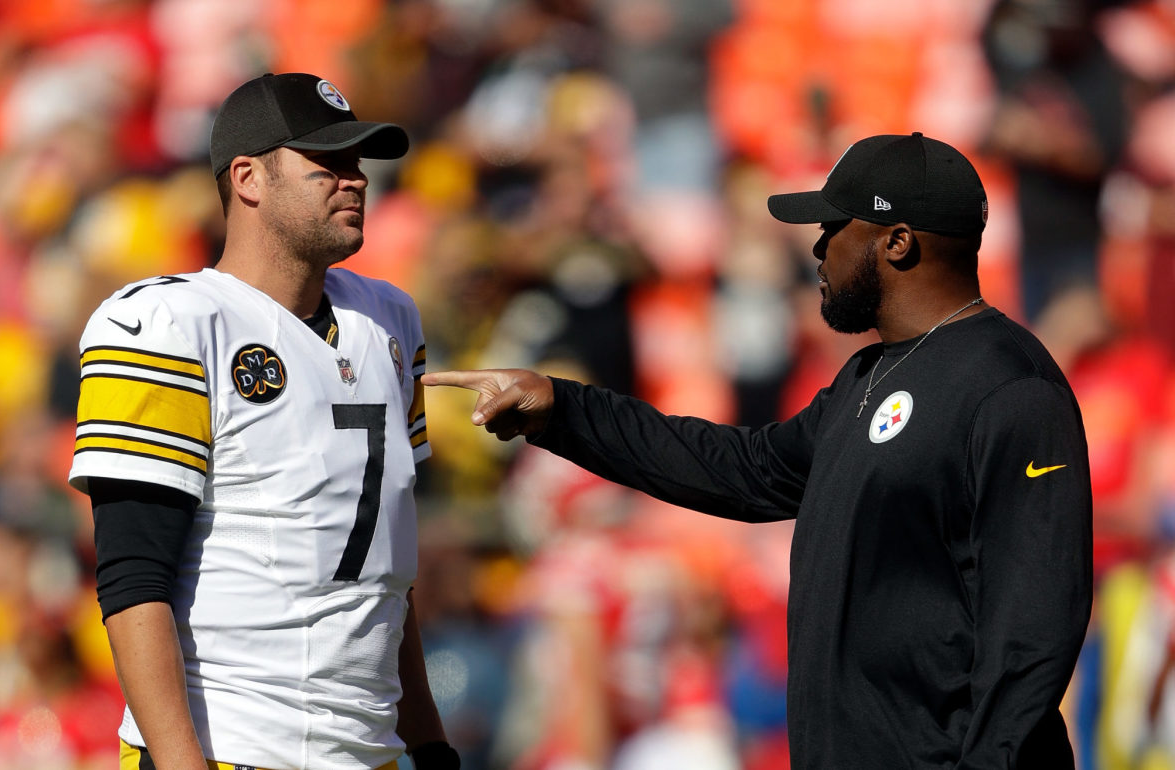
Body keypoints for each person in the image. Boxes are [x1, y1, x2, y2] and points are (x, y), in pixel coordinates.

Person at [425, 133, 1093, 768]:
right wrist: (565, 409)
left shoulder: (1011, 388)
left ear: (895, 242)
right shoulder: (868, 378)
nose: (817, 250)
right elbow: (743, 471)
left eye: (835, 229)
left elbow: (1033, 630)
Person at [68, 72, 460, 770]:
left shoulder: (389, 319)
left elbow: (381, 571)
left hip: (374, 752)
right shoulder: (168, 323)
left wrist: (427, 740)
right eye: (327, 164)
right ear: (248, 178)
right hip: (236, 750)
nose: (356, 181)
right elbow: (133, 580)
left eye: (358, 163)